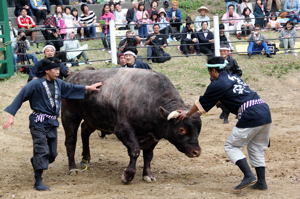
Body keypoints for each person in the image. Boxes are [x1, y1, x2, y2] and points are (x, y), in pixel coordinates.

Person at [2, 58, 102, 191]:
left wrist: (89, 87)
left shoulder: (58, 83)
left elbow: (71, 88)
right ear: (46, 71)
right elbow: (20, 97)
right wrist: (11, 116)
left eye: (58, 69)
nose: (57, 72)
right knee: (42, 150)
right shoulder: (35, 84)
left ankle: (37, 161)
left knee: (52, 154)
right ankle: (38, 181)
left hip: (52, 122)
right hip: (38, 122)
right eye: (55, 69)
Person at [178, 56, 272, 191]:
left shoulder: (217, 84)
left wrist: (187, 114)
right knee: (255, 147)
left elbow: (201, 102)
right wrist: (197, 113)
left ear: (213, 71)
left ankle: (248, 175)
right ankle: (261, 182)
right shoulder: (234, 78)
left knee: (231, 146)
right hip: (264, 110)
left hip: (251, 115)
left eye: (209, 71)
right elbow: (213, 102)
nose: (209, 74)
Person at [217, 45, 243, 123]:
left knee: (233, 99)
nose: (223, 53)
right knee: (217, 100)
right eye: (221, 51)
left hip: (231, 83)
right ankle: (224, 111)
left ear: (228, 52)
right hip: (220, 83)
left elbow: (238, 72)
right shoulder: (217, 60)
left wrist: (234, 79)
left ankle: (227, 116)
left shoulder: (232, 61)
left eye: (224, 51)